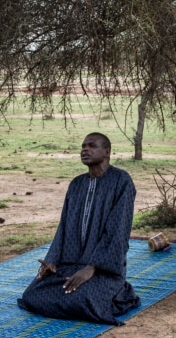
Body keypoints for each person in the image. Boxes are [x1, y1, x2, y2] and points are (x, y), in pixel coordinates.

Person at [17, 132, 140, 324]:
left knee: (84, 299)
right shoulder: (76, 184)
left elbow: (118, 231)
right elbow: (64, 226)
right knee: (32, 295)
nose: (85, 150)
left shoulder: (121, 181)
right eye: (83, 146)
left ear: (106, 151)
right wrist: (52, 262)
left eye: (92, 145)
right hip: (71, 264)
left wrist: (92, 268)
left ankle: (119, 291)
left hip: (104, 269)